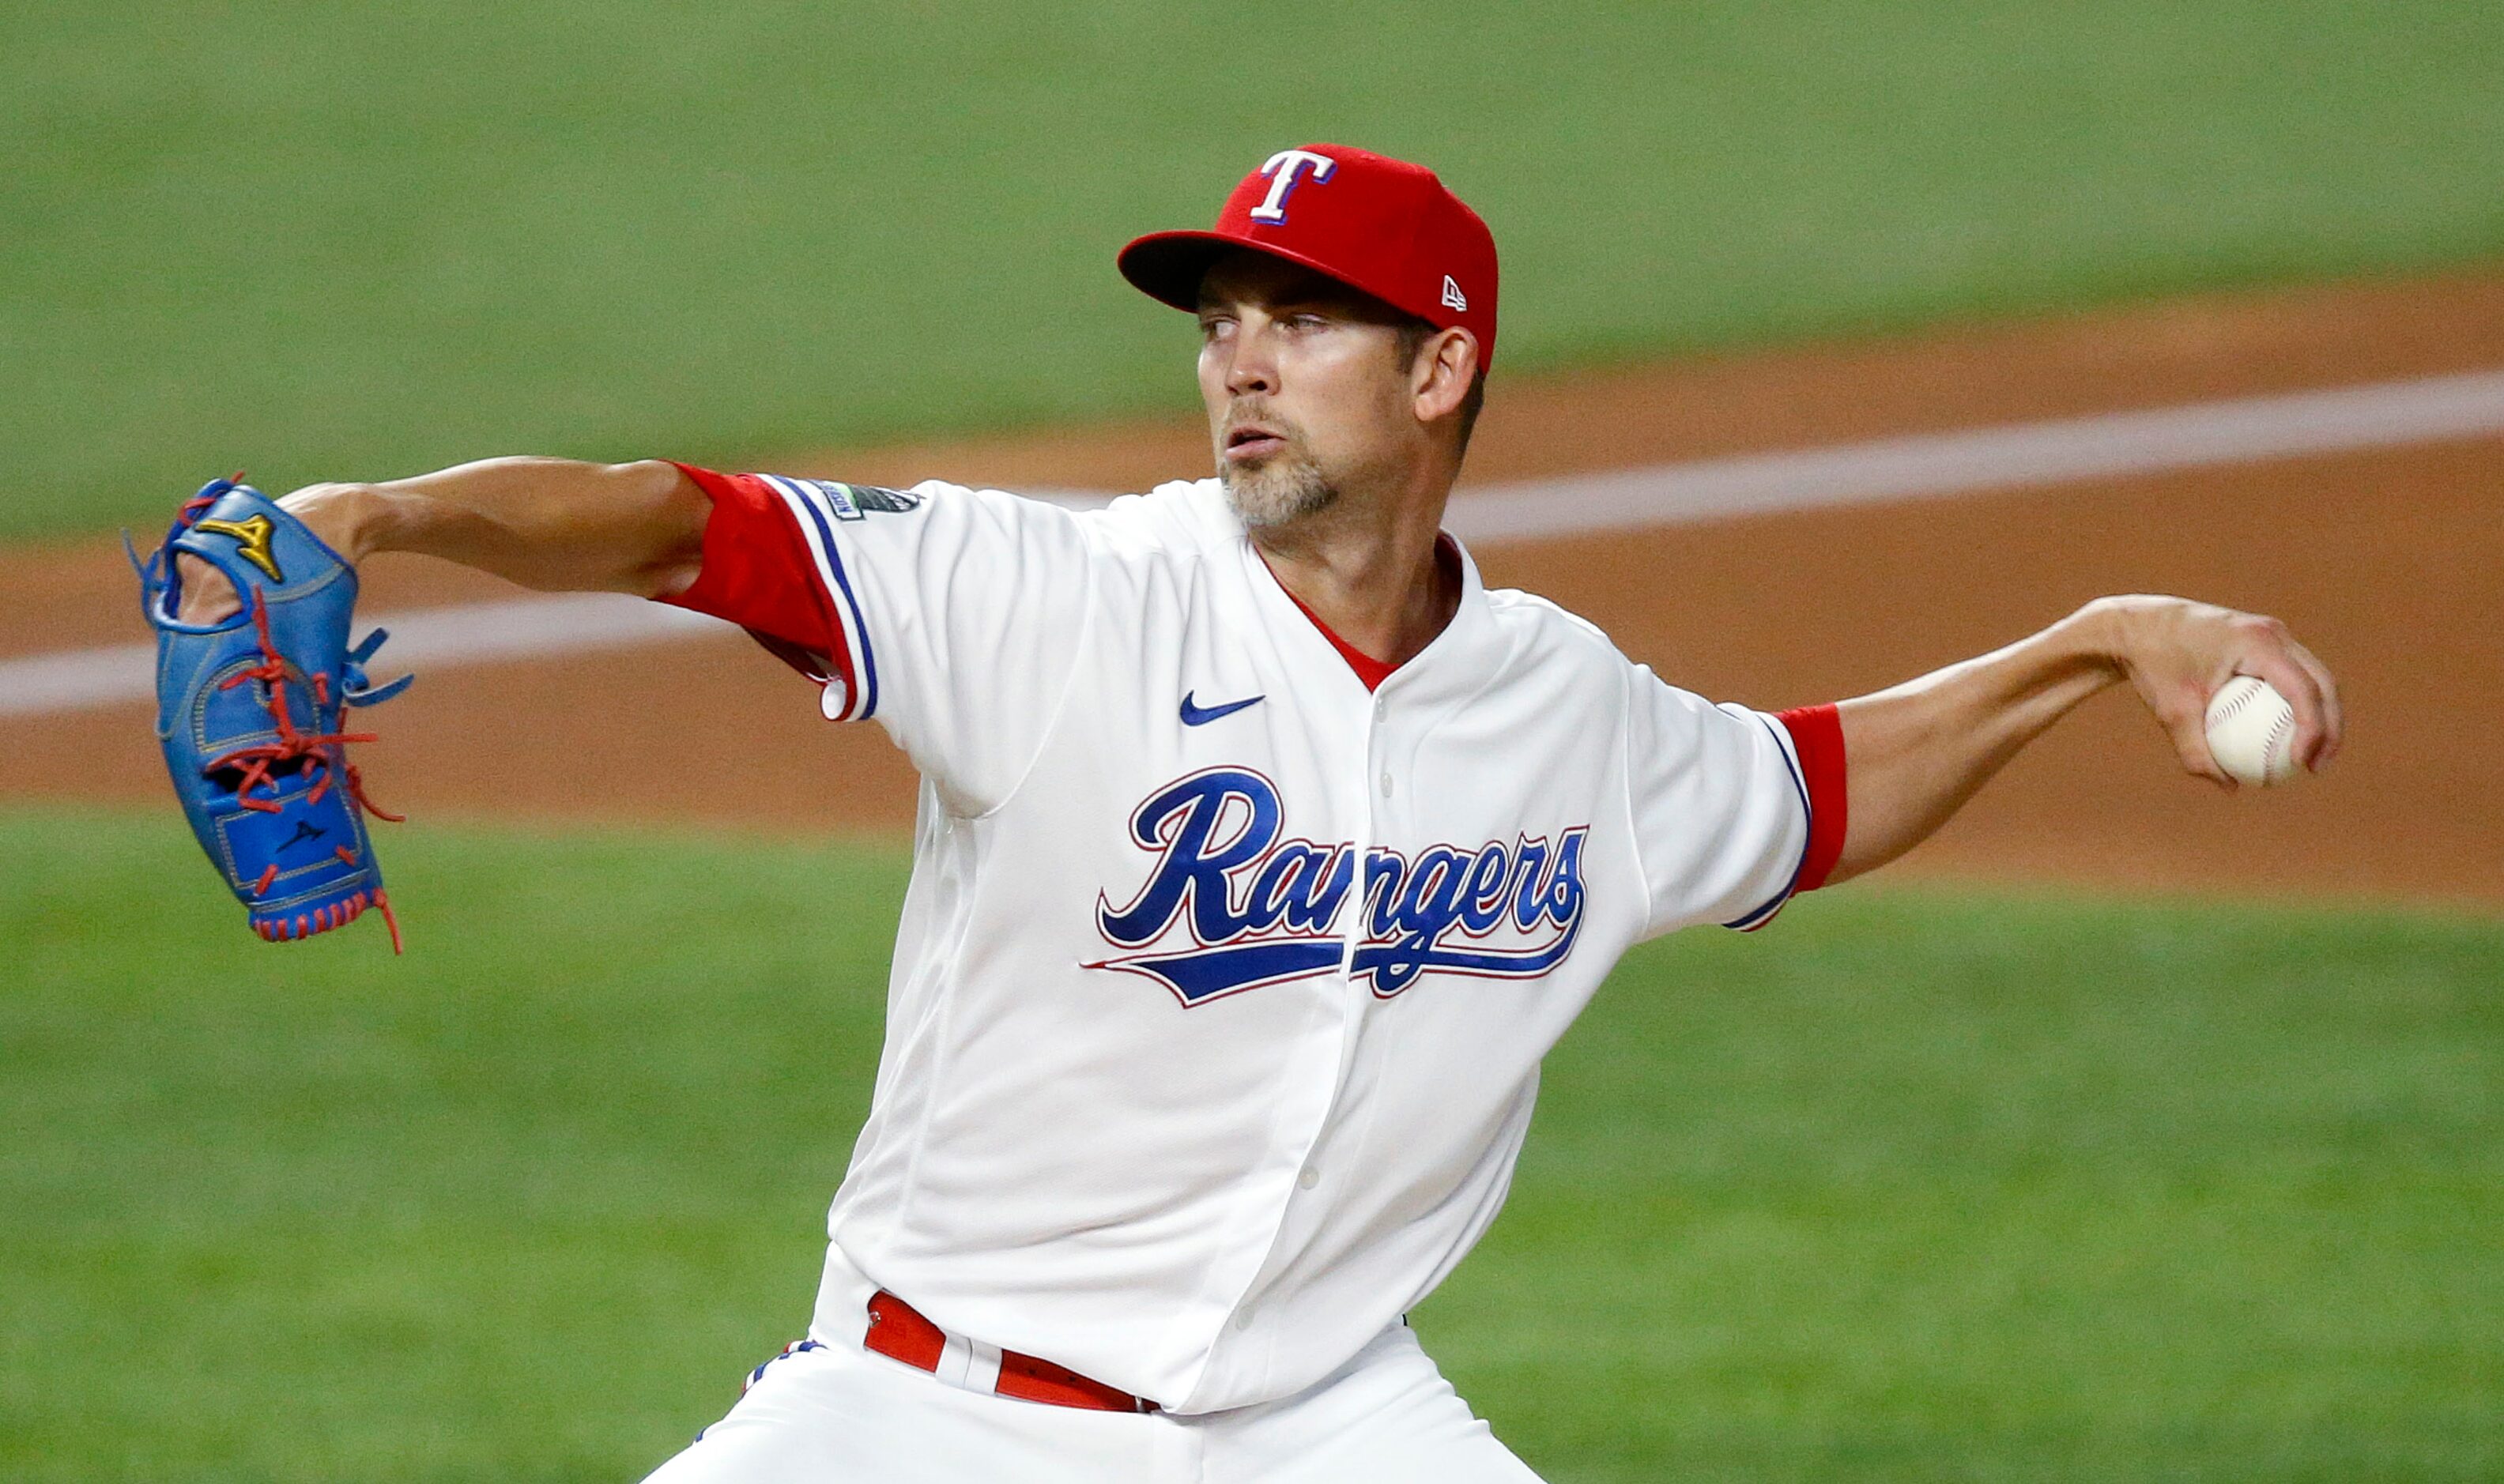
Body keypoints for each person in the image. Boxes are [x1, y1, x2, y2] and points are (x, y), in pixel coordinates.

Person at [176, 144, 2341, 1481]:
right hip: (928, 1424)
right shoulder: (1049, 596)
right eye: (1224, 321)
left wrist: (2091, 640)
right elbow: (684, 526)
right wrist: (383, 512)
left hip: (1322, 1430)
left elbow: (1806, 793)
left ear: (1441, 372)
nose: (1237, 359)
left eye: (1304, 323)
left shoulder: (1562, 709)